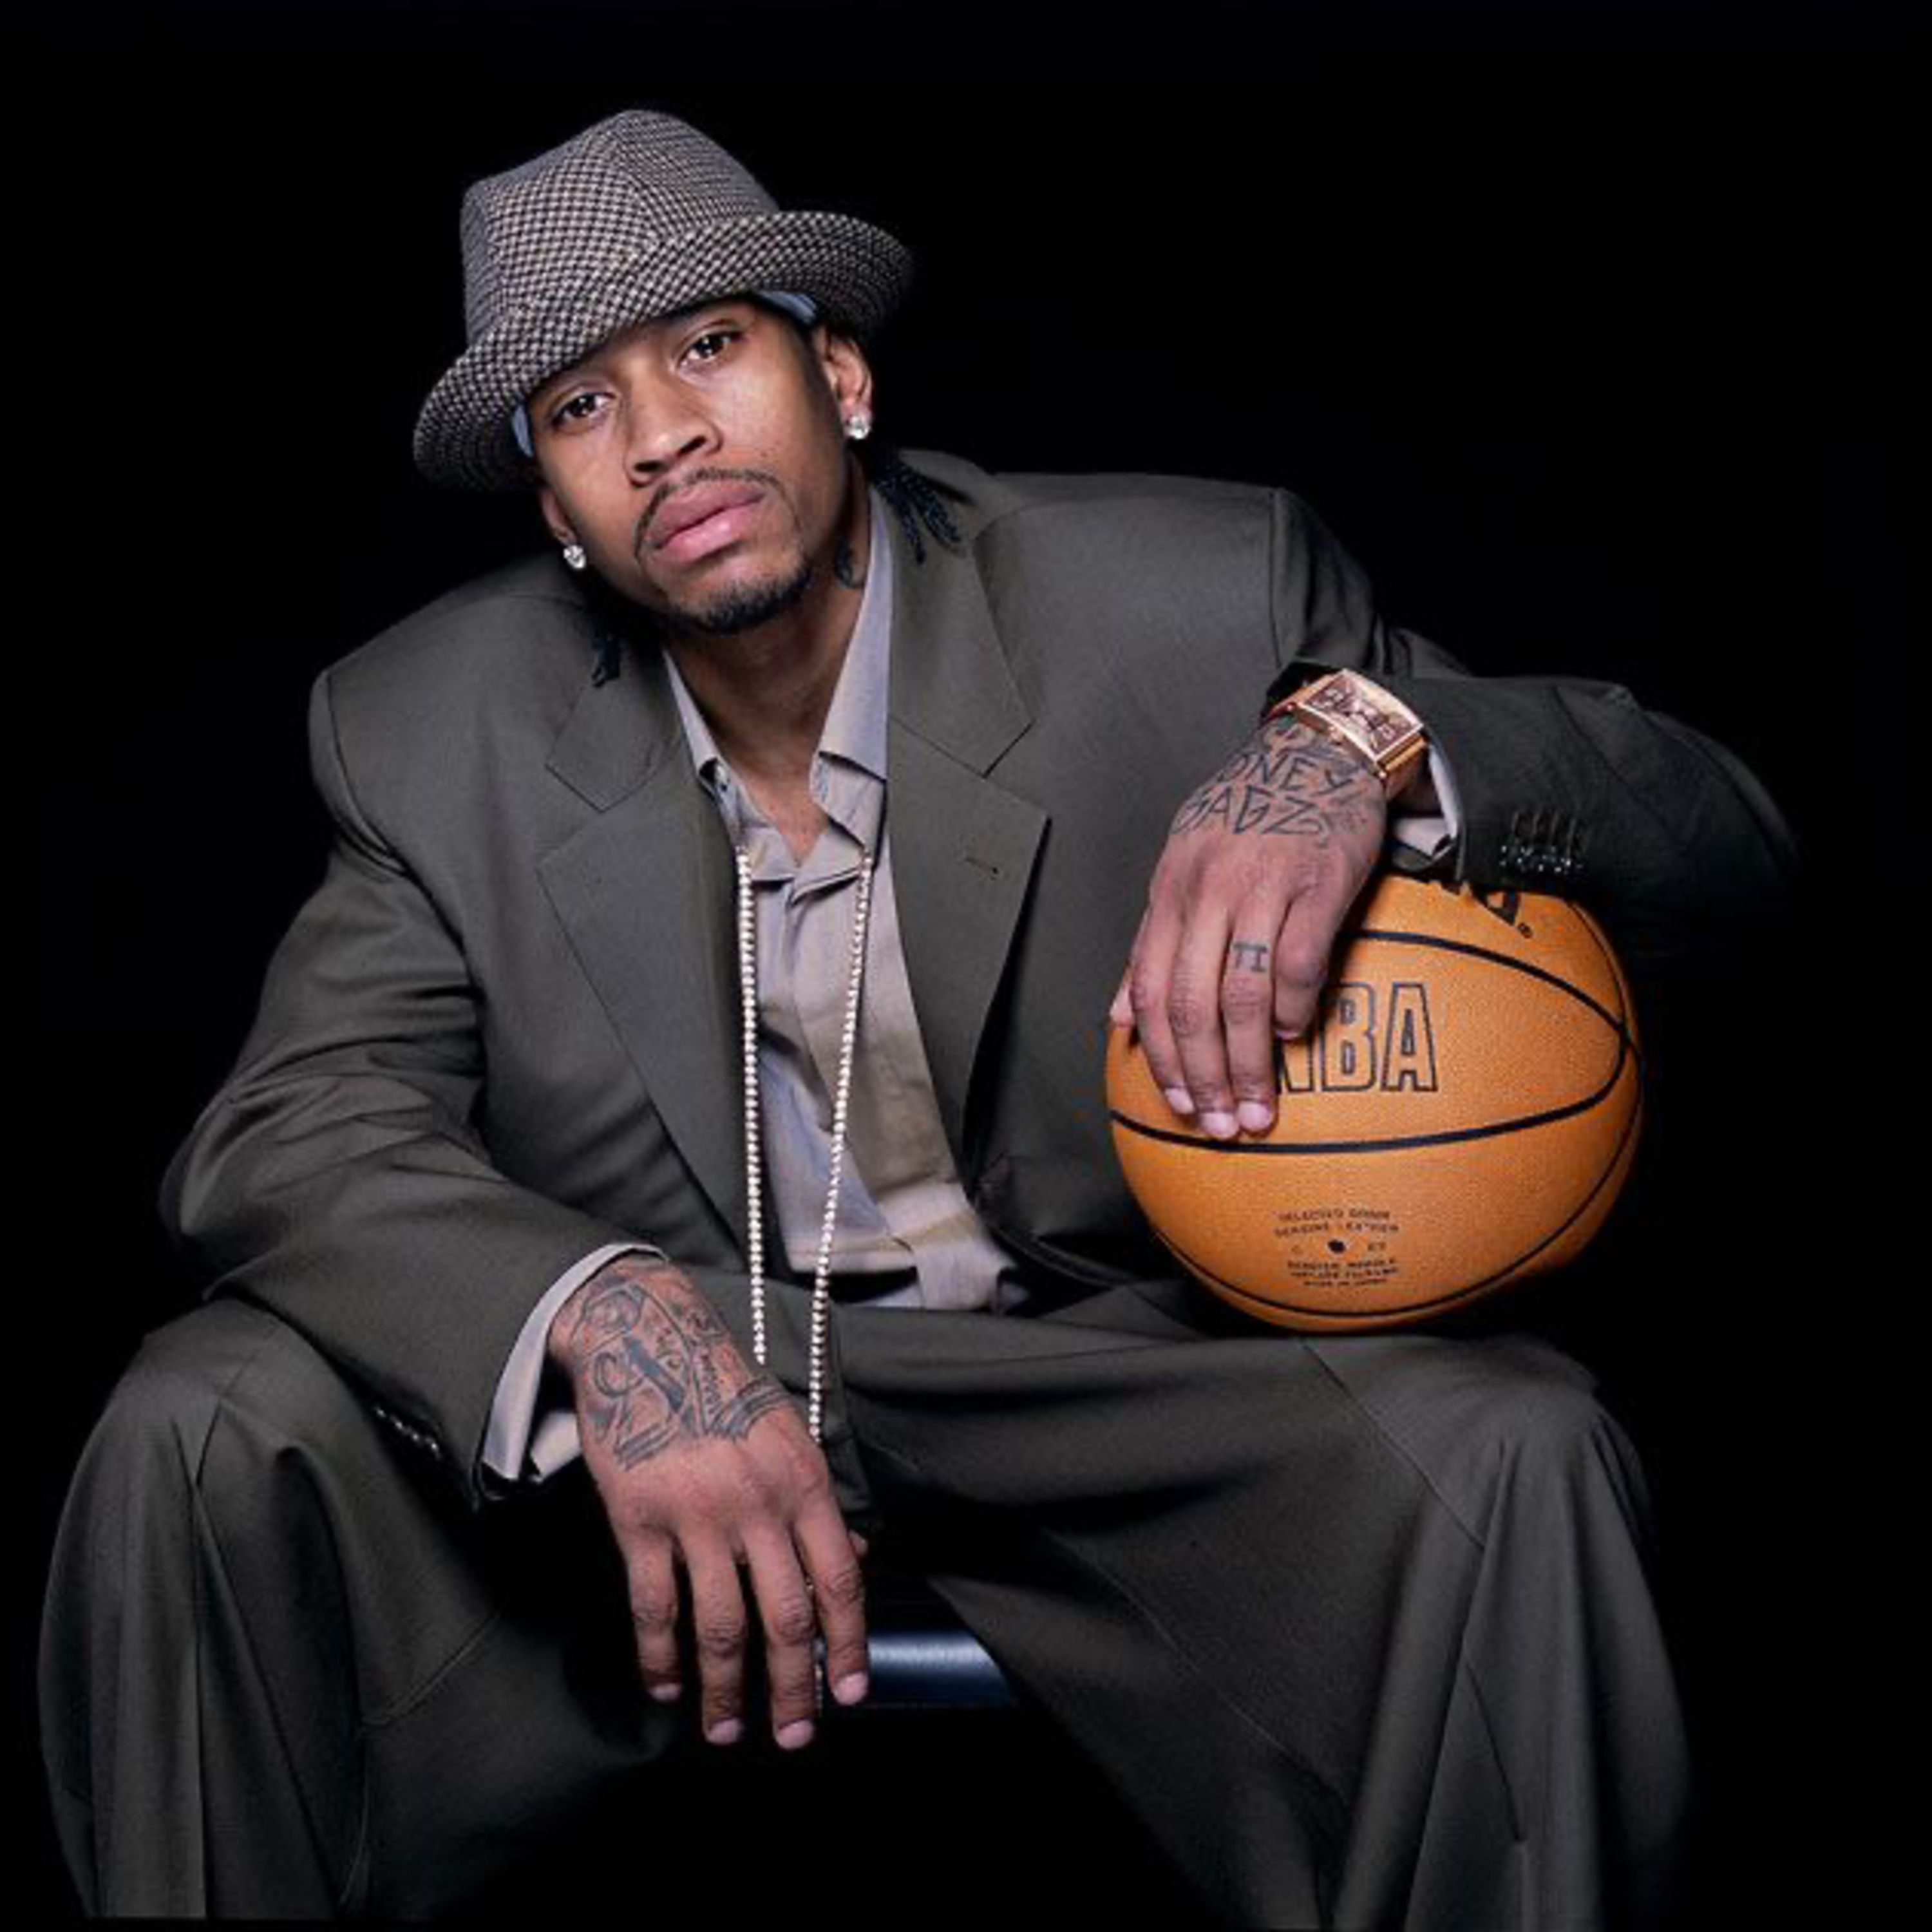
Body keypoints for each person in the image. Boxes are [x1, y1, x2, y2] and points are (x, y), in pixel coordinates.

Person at [40, 109, 1794, 1924]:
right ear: (555, 511)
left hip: (1124, 1383)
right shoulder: (424, 727)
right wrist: (601, 1312)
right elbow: (288, 1128)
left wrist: (1362, 744)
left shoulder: (1187, 597)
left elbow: (1730, 853)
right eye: (580, 408)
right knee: (201, 1417)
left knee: (1520, 1450)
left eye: (712, 344)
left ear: (844, 377)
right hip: (691, 1383)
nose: (662, 436)